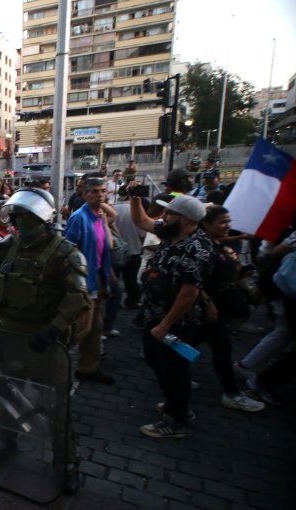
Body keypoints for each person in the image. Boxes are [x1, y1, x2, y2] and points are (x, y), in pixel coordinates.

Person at [0, 188, 91, 494]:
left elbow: (77, 296)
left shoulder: (65, 253)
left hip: (46, 342)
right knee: (7, 393)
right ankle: (5, 440)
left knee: (56, 406)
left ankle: (66, 462)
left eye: (27, 219)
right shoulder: (6, 248)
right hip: (9, 336)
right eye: (17, 218)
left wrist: (54, 329)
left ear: (44, 220)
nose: (20, 225)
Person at [128, 184, 212, 438]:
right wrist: (134, 197)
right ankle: (176, 405)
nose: (163, 218)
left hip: (176, 322)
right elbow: (141, 220)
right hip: (155, 315)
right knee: (156, 360)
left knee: (175, 369)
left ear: (186, 219)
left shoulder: (197, 248)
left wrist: (166, 324)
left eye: (170, 214)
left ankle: (176, 419)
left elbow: (189, 293)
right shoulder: (171, 232)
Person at [196, 205, 265, 412]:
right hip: (209, 308)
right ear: (206, 224)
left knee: (191, 343)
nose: (227, 226)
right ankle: (231, 393)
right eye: (222, 222)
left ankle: (170, 366)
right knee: (222, 349)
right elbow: (193, 281)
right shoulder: (201, 249)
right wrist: (208, 303)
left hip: (219, 306)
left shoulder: (215, 244)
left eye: (228, 221)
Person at [64, 176, 116, 384]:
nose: (99, 195)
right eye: (94, 191)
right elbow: (69, 250)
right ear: (84, 194)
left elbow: (105, 247)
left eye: (103, 191)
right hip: (84, 282)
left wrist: (107, 272)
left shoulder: (99, 217)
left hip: (98, 278)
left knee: (96, 327)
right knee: (81, 328)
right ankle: (52, 363)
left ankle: (87, 368)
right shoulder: (79, 218)